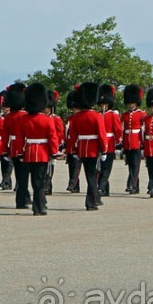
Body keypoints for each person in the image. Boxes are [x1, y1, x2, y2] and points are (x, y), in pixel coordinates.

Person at [15, 83, 59, 216]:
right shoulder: (47, 120)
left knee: (34, 180)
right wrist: (54, 152)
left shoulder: (23, 120)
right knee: (39, 181)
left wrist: (20, 152)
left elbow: (19, 139)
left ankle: (37, 206)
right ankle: (39, 206)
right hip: (42, 152)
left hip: (28, 152)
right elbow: (52, 138)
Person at [67, 82, 108, 211]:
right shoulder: (97, 116)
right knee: (93, 177)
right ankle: (91, 202)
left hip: (81, 149)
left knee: (88, 176)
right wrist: (104, 150)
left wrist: (73, 150)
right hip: (93, 150)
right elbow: (102, 135)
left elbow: (72, 136)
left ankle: (92, 200)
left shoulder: (76, 117)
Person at [2, 83, 29, 209]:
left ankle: (22, 198)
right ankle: (23, 199)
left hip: (13, 147)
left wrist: (5, 150)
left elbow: (5, 136)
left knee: (19, 175)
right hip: (25, 147)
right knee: (24, 176)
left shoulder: (8, 117)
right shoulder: (25, 116)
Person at [97, 85, 121, 197]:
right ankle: (105, 189)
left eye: (105, 104)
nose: (103, 106)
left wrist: (118, 144)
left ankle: (101, 187)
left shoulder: (113, 115)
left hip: (110, 143)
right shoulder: (97, 115)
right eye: (102, 104)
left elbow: (118, 129)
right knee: (99, 168)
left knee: (106, 168)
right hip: (98, 144)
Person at [121, 85, 146, 195]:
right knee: (131, 166)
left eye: (132, 103)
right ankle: (135, 187)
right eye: (129, 103)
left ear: (136, 103)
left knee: (136, 166)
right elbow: (122, 129)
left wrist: (143, 144)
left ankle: (131, 184)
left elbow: (144, 130)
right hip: (127, 143)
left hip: (137, 142)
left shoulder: (142, 114)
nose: (131, 105)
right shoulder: (124, 115)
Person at [44, 90, 64, 196]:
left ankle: (48, 186)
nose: (46, 109)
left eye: (47, 107)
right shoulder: (42, 118)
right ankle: (45, 185)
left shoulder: (56, 119)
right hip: (43, 146)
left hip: (52, 145)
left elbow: (60, 134)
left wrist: (58, 147)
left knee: (50, 167)